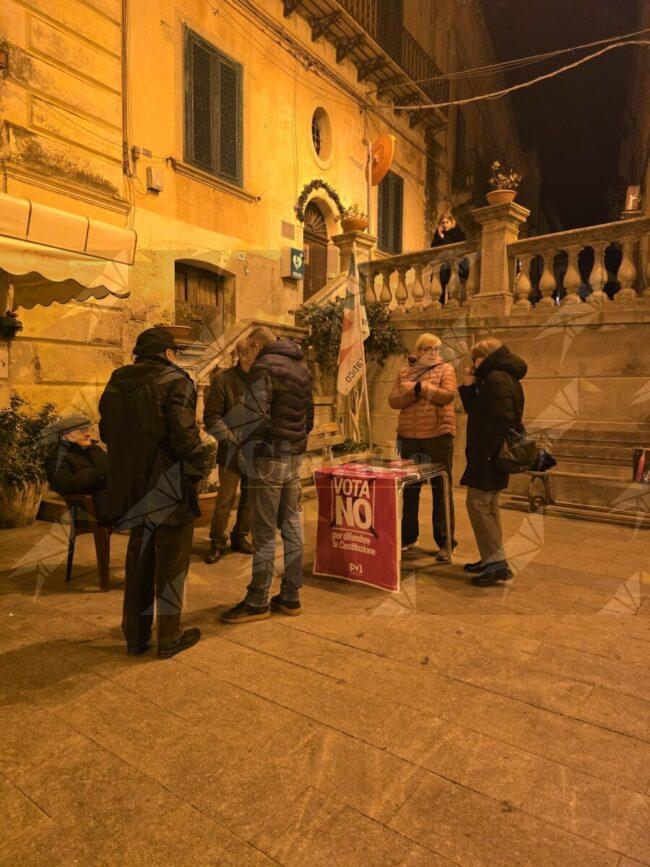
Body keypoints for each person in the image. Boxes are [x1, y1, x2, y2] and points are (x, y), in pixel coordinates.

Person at [99, 326, 203, 658]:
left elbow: (106, 431)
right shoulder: (177, 381)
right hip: (167, 484)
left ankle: (135, 636)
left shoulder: (117, 381)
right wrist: (197, 468)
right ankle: (169, 636)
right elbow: (186, 438)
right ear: (168, 353)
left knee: (139, 560)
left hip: (132, 485)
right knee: (171, 562)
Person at [221, 326, 314, 624]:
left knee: (263, 532)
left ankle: (257, 600)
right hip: (292, 456)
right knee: (292, 525)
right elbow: (309, 417)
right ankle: (290, 596)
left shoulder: (264, 366)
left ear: (257, 346)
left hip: (269, 457)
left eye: (248, 350)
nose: (247, 356)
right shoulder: (300, 367)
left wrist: (252, 448)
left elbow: (256, 416)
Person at [458, 337, 527, 586]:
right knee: (488, 506)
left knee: (478, 504)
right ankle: (492, 558)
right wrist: (469, 386)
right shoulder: (500, 376)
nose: (472, 364)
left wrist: (487, 455)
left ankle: (496, 563)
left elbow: (500, 421)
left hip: (490, 455)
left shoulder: (497, 378)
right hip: (491, 454)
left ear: (484, 358)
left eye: (474, 359)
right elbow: (478, 412)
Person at [388, 333, 457, 561]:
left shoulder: (445, 369)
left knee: (441, 490)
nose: (433, 352)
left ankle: (446, 542)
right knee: (409, 489)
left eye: (436, 348)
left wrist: (422, 387)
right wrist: (414, 393)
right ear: (418, 351)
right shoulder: (404, 372)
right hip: (408, 437)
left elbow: (447, 396)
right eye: (428, 348)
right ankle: (409, 537)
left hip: (438, 436)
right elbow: (393, 400)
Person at [202, 339, 254, 564]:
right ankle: (217, 541)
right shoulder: (223, 380)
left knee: (250, 499)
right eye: (256, 351)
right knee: (225, 499)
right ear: (243, 355)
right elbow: (211, 416)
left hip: (255, 450)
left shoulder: (262, 380)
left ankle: (240, 537)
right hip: (231, 450)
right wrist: (232, 440)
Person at [45, 415, 111, 524]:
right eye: (81, 431)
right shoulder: (57, 457)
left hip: (113, 500)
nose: (88, 434)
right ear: (64, 436)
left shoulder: (95, 450)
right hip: (90, 510)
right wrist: (97, 475)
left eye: (87, 429)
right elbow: (62, 485)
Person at [431, 211, 468, 306]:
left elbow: (454, 247)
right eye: (443, 223)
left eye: (447, 222)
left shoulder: (457, 232)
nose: (445, 225)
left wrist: (443, 238)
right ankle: (440, 303)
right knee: (439, 271)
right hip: (444, 263)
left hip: (458, 262)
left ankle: (454, 301)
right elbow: (433, 249)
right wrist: (440, 236)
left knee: (450, 271)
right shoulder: (438, 233)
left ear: (452, 222)